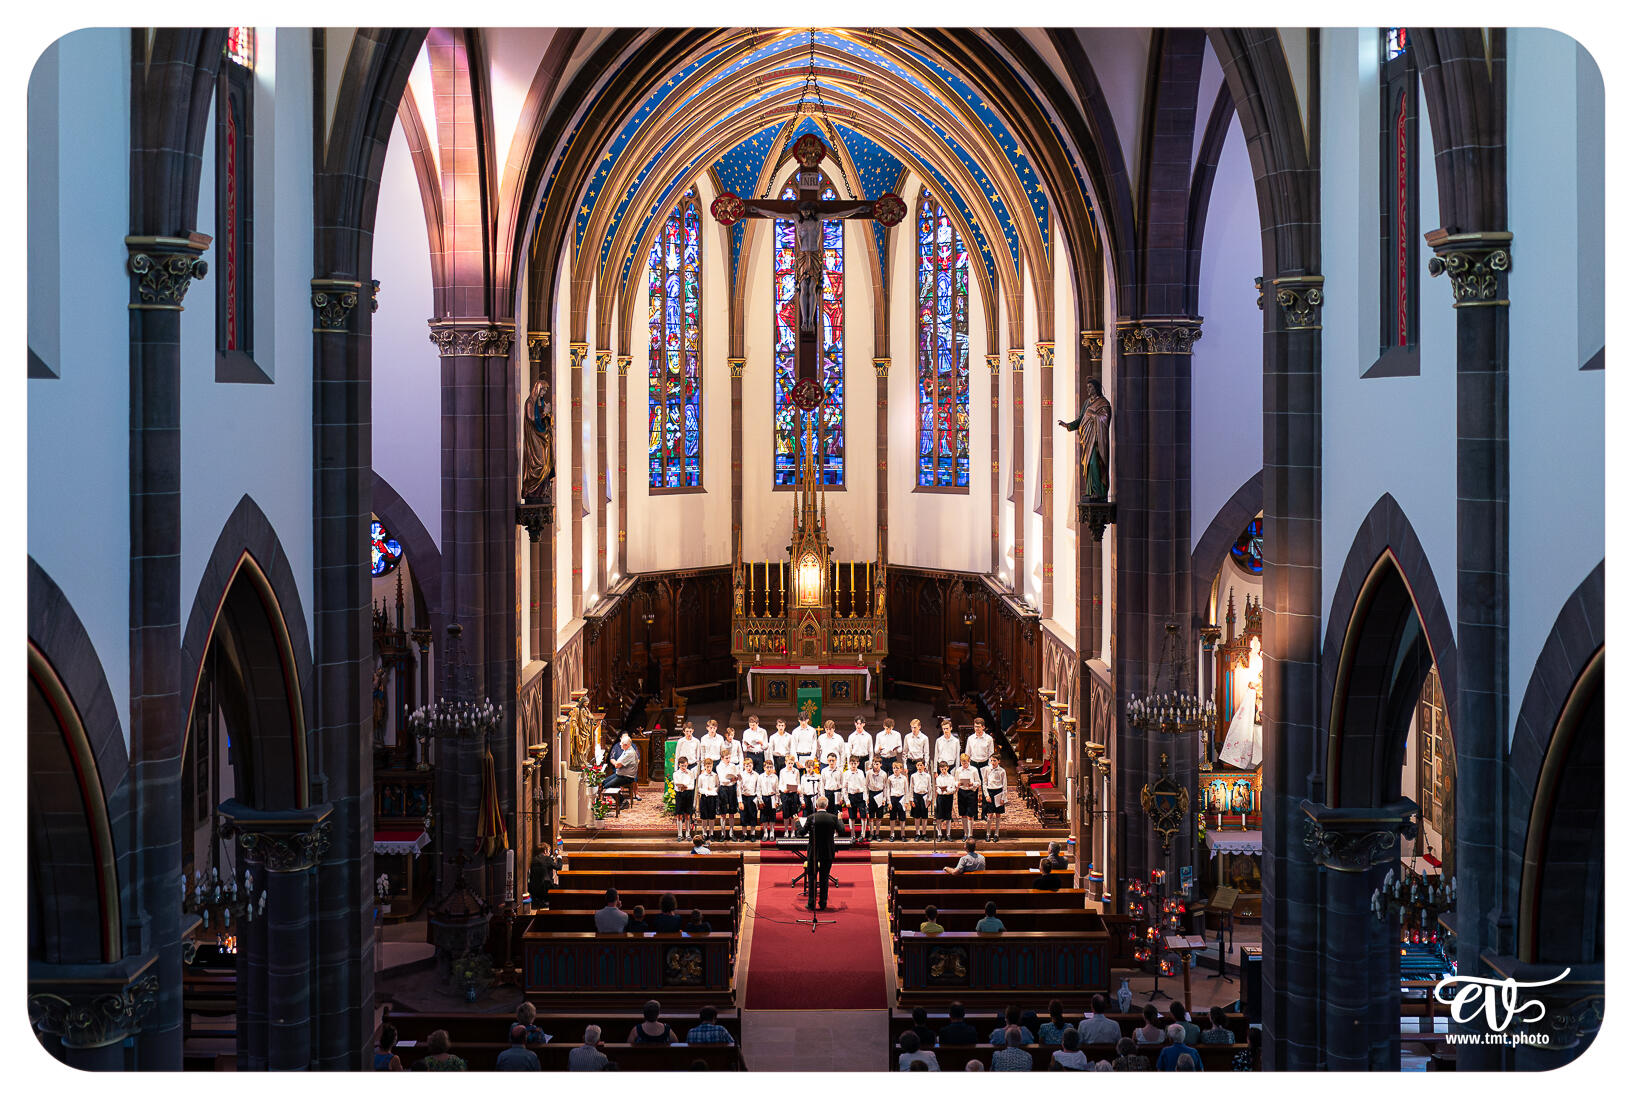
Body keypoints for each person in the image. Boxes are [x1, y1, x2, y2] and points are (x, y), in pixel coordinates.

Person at [1218, 636, 1264, 769]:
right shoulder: (1251, 659)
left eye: (1257, 644)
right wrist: (1255, 686)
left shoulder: (1260, 659)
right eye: (1253, 644)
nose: (1255, 646)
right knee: (1246, 724)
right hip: (1253, 695)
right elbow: (1251, 680)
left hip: (1259, 696)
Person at [805, 795, 840, 910]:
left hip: (813, 852)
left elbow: (801, 832)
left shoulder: (811, 817)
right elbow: (842, 830)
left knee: (812, 877)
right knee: (824, 878)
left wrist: (797, 822)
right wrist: (839, 819)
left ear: (816, 806)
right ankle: (823, 903)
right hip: (827, 852)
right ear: (827, 806)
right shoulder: (833, 818)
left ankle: (811, 903)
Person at [528, 841, 565, 910]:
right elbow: (559, 867)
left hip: (534, 890)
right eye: (549, 851)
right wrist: (559, 856)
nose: (549, 853)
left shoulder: (534, 859)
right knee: (562, 889)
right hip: (545, 889)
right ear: (545, 851)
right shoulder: (547, 859)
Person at [601, 733, 640, 798]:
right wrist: (618, 763)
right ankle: (619, 798)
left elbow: (617, 765)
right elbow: (617, 762)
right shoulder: (626, 750)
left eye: (621, 744)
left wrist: (618, 763)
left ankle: (622, 801)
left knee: (607, 786)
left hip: (626, 777)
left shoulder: (629, 753)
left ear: (626, 745)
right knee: (604, 782)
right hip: (620, 774)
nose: (620, 745)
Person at [953, 753, 980, 841]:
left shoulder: (974, 770)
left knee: (970, 814)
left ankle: (970, 834)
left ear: (969, 761)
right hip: (961, 792)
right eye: (962, 763)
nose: (964, 765)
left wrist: (973, 784)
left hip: (971, 793)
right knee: (963, 814)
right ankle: (965, 833)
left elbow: (978, 782)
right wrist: (958, 784)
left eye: (965, 763)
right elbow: (955, 781)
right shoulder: (958, 770)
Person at [716, 749, 739, 841]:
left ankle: (731, 832)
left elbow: (736, 775)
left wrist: (736, 778)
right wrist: (731, 780)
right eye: (726, 758)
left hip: (732, 789)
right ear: (722, 758)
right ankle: (723, 833)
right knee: (723, 813)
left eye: (729, 757)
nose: (728, 759)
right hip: (723, 789)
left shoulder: (733, 765)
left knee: (732, 813)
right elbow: (722, 779)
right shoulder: (719, 766)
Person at [982, 758, 1007, 841]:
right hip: (990, 792)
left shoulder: (1002, 771)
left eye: (995, 760)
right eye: (991, 760)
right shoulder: (987, 769)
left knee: (998, 814)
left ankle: (996, 833)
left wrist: (1003, 797)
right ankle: (988, 833)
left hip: (999, 792)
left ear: (999, 761)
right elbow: (984, 783)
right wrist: (986, 795)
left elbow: (1004, 785)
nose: (992, 762)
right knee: (989, 814)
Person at [695, 757, 720, 840]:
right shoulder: (701, 776)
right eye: (707, 767)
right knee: (704, 817)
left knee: (712, 816)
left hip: (712, 798)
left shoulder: (715, 775)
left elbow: (717, 786)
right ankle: (704, 833)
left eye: (710, 766)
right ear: (704, 766)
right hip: (704, 797)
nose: (709, 768)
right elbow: (699, 788)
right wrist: (705, 791)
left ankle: (711, 833)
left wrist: (713, 790)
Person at [672, 757, 696, 841]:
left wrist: (685, 787)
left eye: (685, 765)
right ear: (679, 765)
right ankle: (679, 834)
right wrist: (681, 787)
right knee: (679, 814)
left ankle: (688, 833)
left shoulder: (690, 773)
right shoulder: (676, 773)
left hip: (688, 794)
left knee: (688, 815)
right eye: (682, 766)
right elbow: (676, 785)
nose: (684, 767)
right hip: (679, 794)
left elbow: (692, 785)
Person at [778, 757, 803, 837]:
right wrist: (783, 789)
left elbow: (798, 783)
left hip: (794, 794)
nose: (790, 765)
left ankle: (792, 831)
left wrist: (799, 789)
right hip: (785, 794)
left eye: (792, 763)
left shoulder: (796, 771)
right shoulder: (782, 771)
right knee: (785, 814)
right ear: (785, 762)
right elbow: (780, 784)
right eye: (789, 763)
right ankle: (786, 831)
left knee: (794, 814)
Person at [966, 718, 995, 786]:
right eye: (975, 726)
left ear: (983, 727)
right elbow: (967, 753)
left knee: (985, 785)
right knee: (973, 785)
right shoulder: (970, 738)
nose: (976, 728)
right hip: (973, 764)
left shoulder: (989, 739)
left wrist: (990, 767)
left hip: (984, 764)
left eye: (978, 727)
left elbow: (991, 754)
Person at [886, 760, 910, 840]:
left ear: (901, 769)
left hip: (901, 798)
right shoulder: (890, 778)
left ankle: (903, 834)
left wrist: (906, 802)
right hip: (893, 798)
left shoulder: (904, 778)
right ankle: (892, 834)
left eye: (897, 768)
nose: (895, 769)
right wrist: (889, 802)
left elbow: (906, 790)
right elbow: (888, 790)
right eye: (894, 768)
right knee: (892, 817)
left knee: (902, 817)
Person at [865, 757, 887, 841]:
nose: (875, 766)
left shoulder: (884, 774)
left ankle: (877, 833)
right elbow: (865, 786)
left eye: (877, 764)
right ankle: (871, 833)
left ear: (881, 764)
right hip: (871, 793)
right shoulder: (869, 773)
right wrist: (866, 797)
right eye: (874, 764)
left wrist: (884, 798)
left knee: (879, 816)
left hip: (880, 794)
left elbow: (885, 787)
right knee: (871, 816)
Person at [933, 760, 956, 841]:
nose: (943, 771)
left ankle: (948, 834)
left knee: (948, 817)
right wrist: (943, 790)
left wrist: (947, 790)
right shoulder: (938, 778)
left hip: (949, 797)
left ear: (948, 768)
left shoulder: (951, 778)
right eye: (942, 769)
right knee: (939, 817)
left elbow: (953, 789)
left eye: (945, 769)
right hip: (941, 797)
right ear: (940, 769)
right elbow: (938, 789)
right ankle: (939, 834)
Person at [738, 755, 760, 839]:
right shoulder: (741, 775)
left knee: (753, 816)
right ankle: (744, 834)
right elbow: (739, 789)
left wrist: (758, 800)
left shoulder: (756, 775)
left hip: (753, 798)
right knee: (743, 816)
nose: (748, 767)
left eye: (750, 765)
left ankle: (752, 834)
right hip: (744, 797)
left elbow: (758, 788)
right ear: (744, 766)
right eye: (747, 766)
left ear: (752, 765)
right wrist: (740, 801)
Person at [909, 759, 931, 840]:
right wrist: (911, 799)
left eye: (921, 765)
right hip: (916, 796)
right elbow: (911, 787)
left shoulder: (928, 776)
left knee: (924, 817)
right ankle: (917, 833)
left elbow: (929, 788)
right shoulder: (913, 776)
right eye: (918, 765)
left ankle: (924, 833)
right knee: (917, 816)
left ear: (924, 766)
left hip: (924, 796)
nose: (919, 767)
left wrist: (929, 799)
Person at [844, 758, 868, 831]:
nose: (853, 765)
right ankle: (853, 834)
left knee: (863, 816)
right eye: (852, 763)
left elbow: (864, 786)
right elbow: (844, 788)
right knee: (852, 816)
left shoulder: (861, 772)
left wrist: (866, 797)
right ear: (849, 763)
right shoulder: (846, 773)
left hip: (860, 796)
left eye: (855, 763)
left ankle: (862, 834)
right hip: (851, 796)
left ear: (858, 763)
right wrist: (847, 800)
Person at [759, 759, 779, 841]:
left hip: (772, 797)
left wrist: (777, 801)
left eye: (771, 767)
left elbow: (777, 790)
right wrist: (760, 801)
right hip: (764, 797)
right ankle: (765, 832)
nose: (769, 769)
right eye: (767, 767)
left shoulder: (775, 777)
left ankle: (772, 832)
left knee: (772, 816)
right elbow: (758, 789)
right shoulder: (761, 777)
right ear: (764, 768)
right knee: (764, 816)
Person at [820, 753, 844, 817]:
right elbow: (822, 784)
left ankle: (838, 826)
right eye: (829, 760)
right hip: (828, 793)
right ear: (827, 761)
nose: (831, 762)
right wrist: (823, 796)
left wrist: (842, 797)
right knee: (828, 813)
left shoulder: (840, 771)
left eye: (833, 760)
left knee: (838, 812)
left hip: (837, 792)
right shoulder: (824, 771)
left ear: (836, 760)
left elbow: (843, 784)